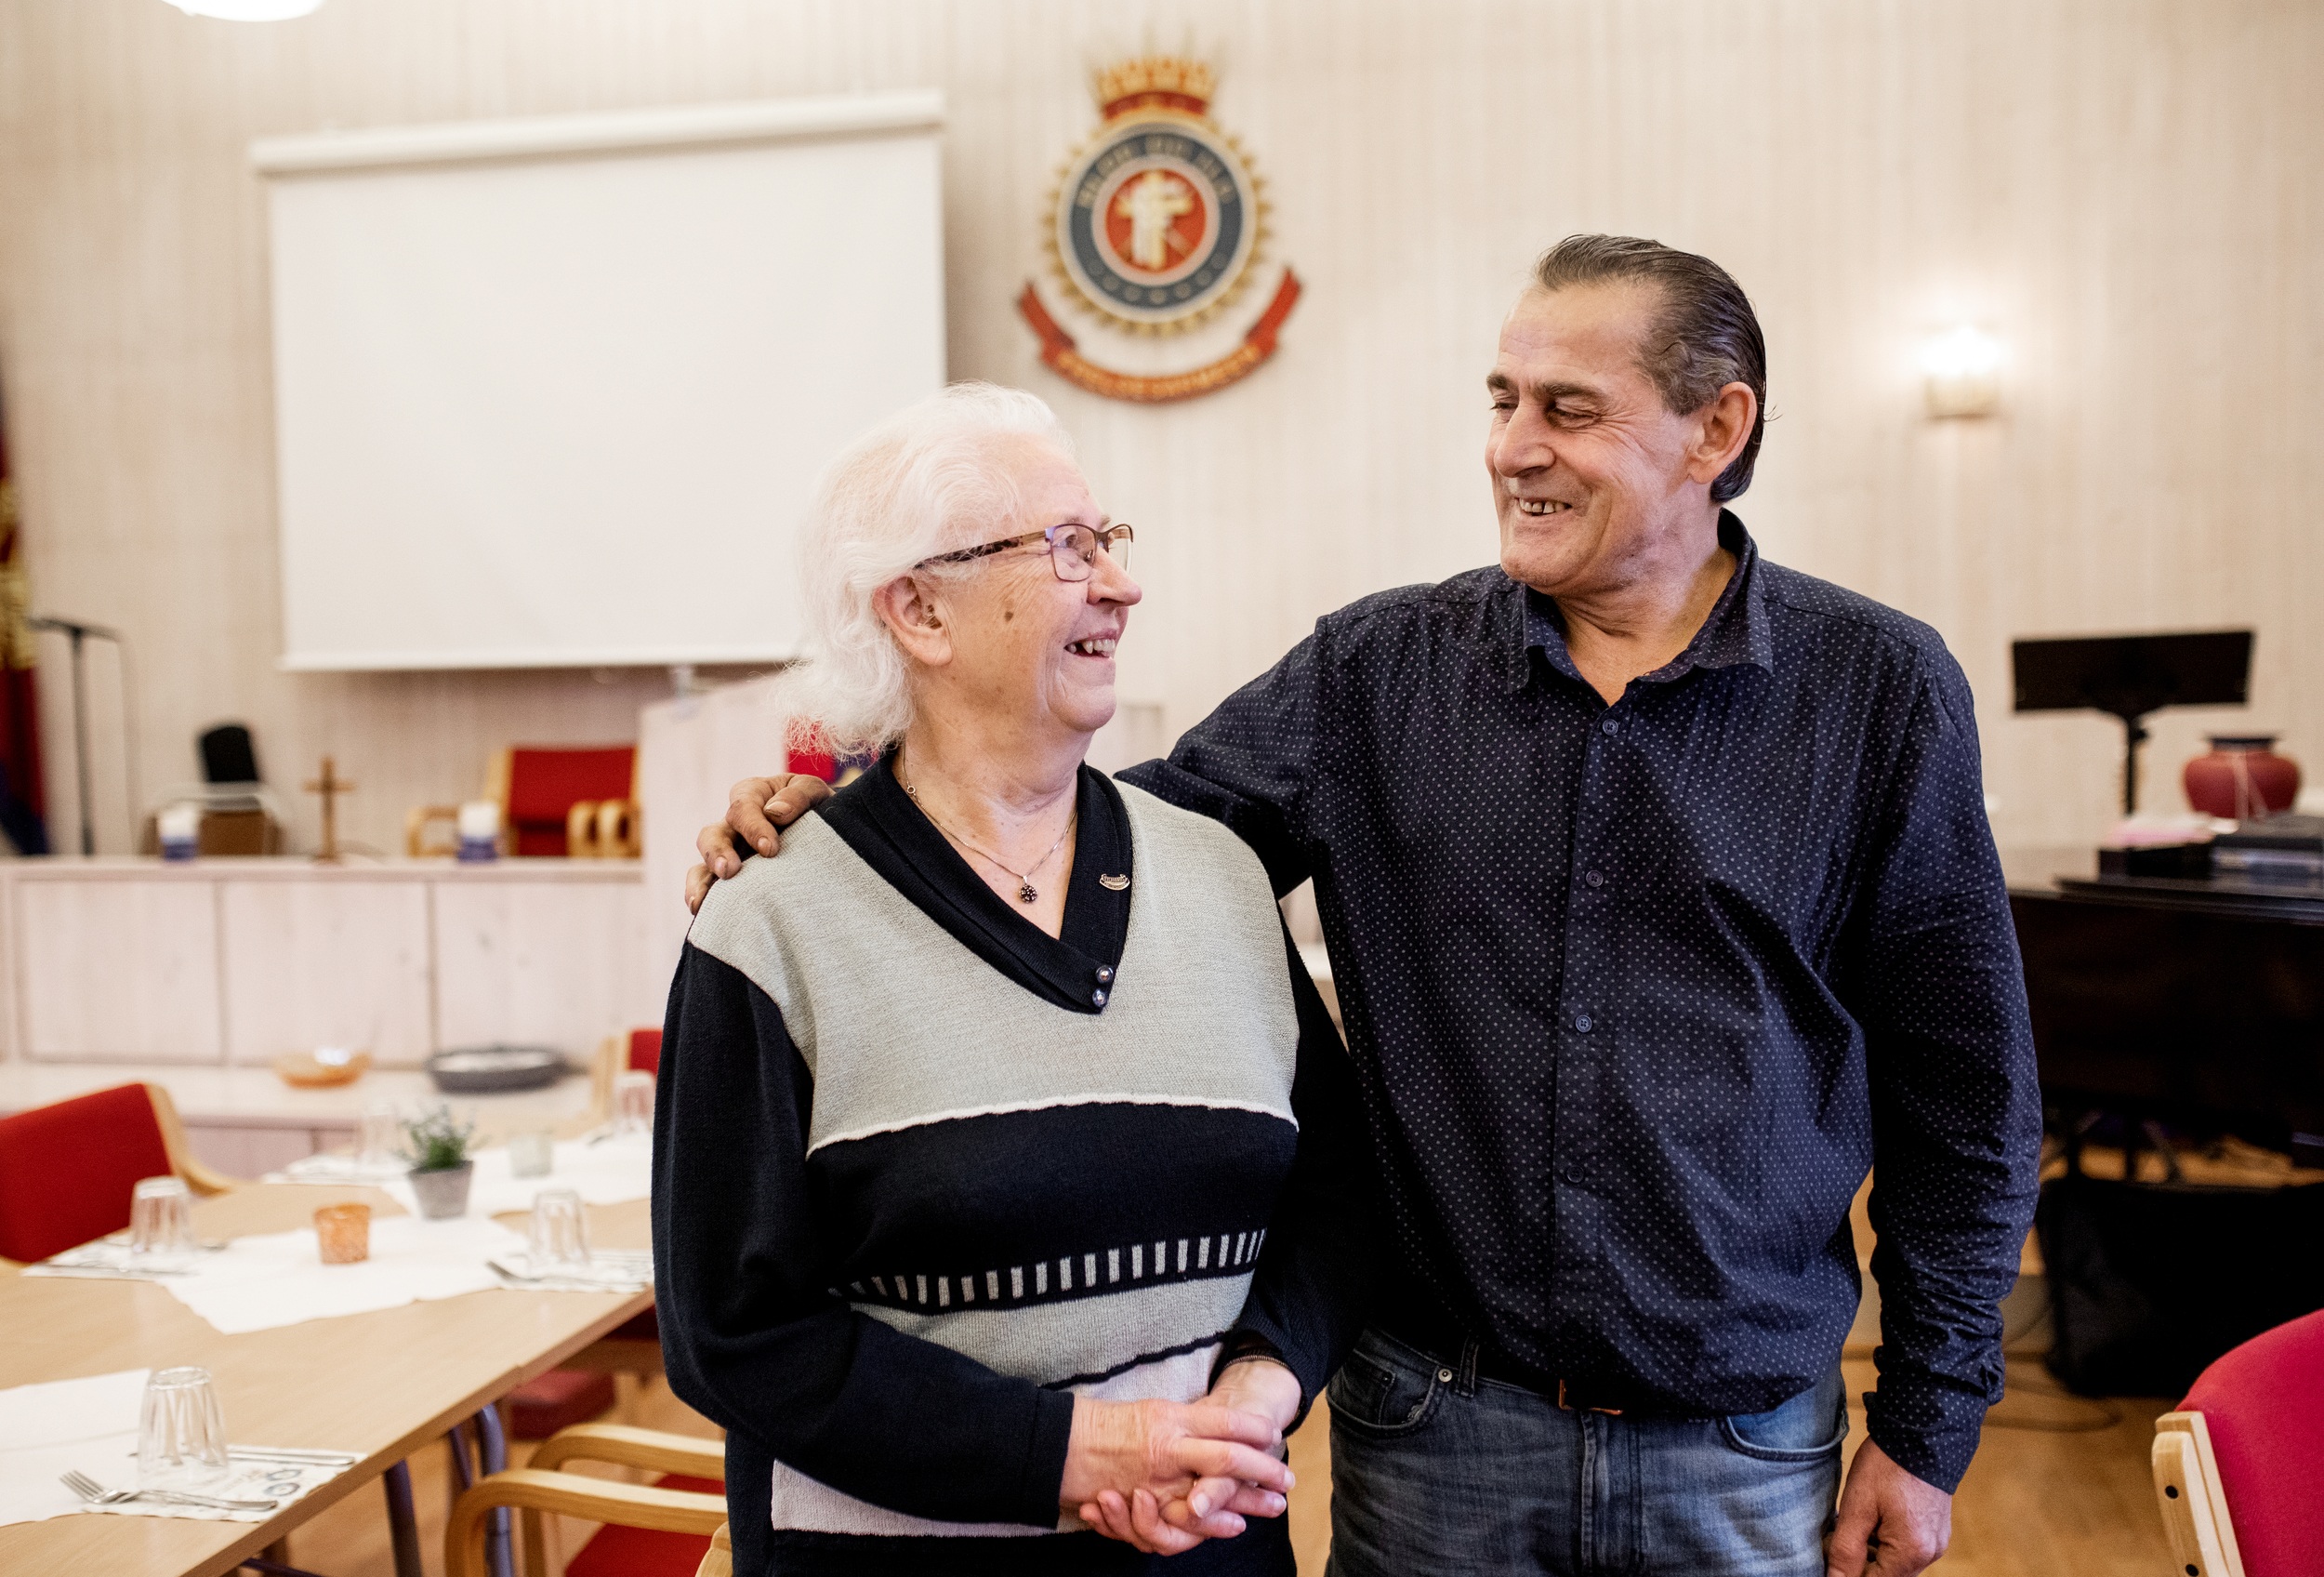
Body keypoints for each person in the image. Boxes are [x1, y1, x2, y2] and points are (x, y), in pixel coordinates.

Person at [691, 236, 2042, 1577]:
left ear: (1716, 429)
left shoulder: (1877, 692)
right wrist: (853, 803)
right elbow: (1112, 838)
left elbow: (1965, 1094)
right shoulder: (1375, 673)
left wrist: (1927, 1424)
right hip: (1437, 1436)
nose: (1515, 445)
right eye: (1503, 401)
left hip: (1744, 1449)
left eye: (1569, 409)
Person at [653, 382, 1370, 1576]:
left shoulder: (1224, 878)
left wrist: (1258, 1389)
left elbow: (1338, 1194)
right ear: (920, 610)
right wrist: (1077, 1454)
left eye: (1110, 541)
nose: (1120, 583)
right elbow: (735, 1332)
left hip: (1209, 1550)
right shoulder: (773, 920)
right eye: (1068, 548)